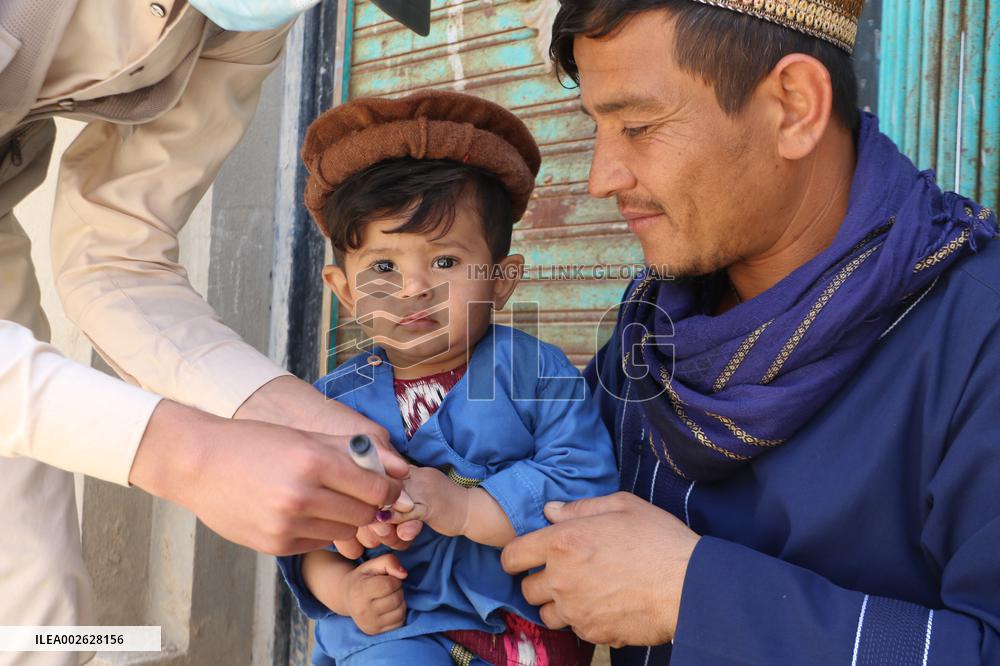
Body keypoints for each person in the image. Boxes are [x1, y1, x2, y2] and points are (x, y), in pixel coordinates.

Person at [499, 1, 1000, 664]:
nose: (601, 178)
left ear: (793, 106)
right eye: (597, 126)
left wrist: (690, 595)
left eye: (639, 125)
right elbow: (532, 479)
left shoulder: (977, 334)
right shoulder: (653, 319)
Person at [0, 2, 425, 658]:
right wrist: (190, 455)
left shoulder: (245, 14)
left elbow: (117, 248)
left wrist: (284, 411)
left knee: (39, 607)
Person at [276, 91, 619, 665]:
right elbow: (306, 536)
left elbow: (585, 484)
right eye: (384, 266)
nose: (413, 288)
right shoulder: (328, 405)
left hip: (526, 631)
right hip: (396, 635)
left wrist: (465, 509)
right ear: (343, 289)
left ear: (501, 279)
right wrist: (348, 590)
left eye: (444, 262)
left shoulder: (537, 374)